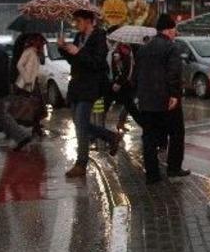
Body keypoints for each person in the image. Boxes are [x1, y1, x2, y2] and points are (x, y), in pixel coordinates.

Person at [60, 10, 121, 178]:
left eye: (79, 21)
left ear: (89, 21)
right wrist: (64, 49)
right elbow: (75, 61)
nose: (76, 24)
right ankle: (111, 136)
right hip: (76, 86)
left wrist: (78, 52)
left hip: (90, 87)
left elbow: (96, 62)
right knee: (79, 124)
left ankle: (81, 163)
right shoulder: (79, 37)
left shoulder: (99, 37)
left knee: (81, 125)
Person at [134, 14, 189, 184]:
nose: (175, 33)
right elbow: (173, 73)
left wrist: (139, 94)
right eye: (174, 29)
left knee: (149, 137)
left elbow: (136, 74)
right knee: (177, 133)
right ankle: (173, 168)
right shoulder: (171, 48)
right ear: (168, 29)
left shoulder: (144, 47)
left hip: (146, 100)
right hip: (166, 100)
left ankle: (152, 175)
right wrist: (174, 94)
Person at [13, 34, 47, 136]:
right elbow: (19, 65)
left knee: (37, 107)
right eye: (41, 43)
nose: (42, 45)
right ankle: (9, 127)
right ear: (35, 42)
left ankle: (36, 129)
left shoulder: (36, 53)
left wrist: (41, 53)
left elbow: (40, 64)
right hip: (26, 83)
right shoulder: (28, 51)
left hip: (34, 82)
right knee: (24, 107)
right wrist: (26, 78)